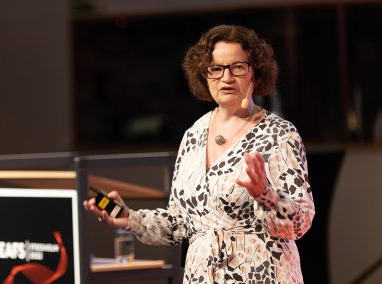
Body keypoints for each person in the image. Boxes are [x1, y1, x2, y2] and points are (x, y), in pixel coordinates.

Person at [83, 24, 315, 283]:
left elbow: (300, 223)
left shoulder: (280, 134)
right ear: (204, 76)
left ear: (256, 74)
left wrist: (266, 195)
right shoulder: (194, 134)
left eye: (237, 67)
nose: (226, 78)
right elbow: (179, 223)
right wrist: (131, 219)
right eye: (216, 69)